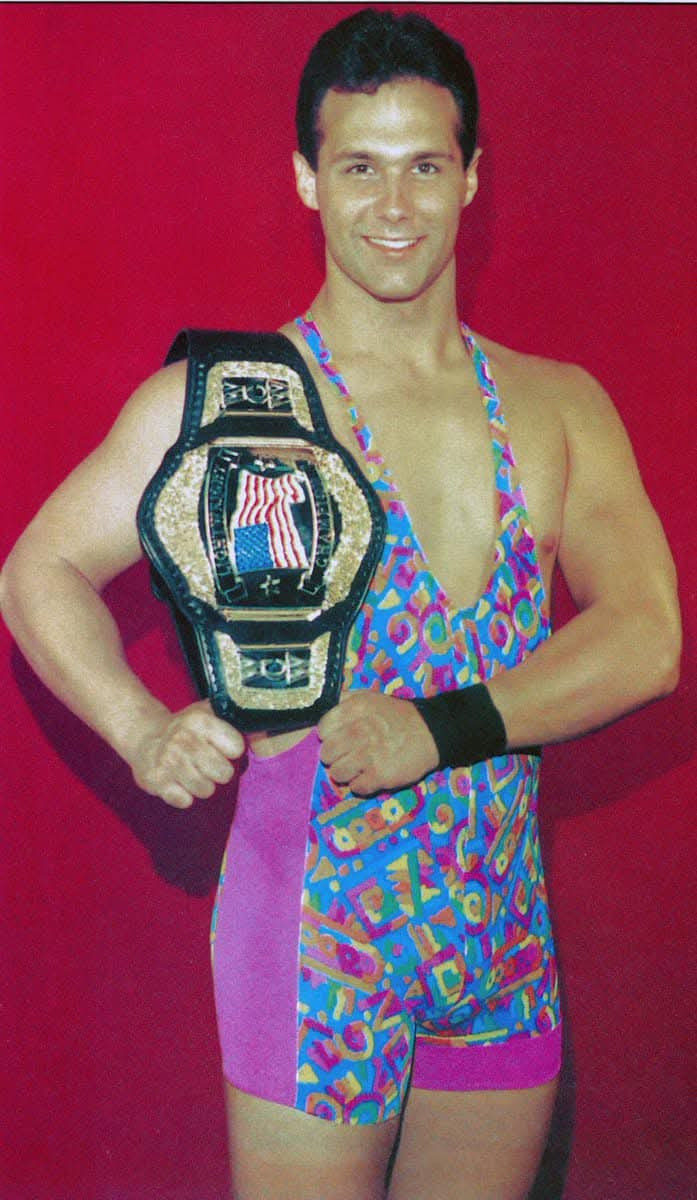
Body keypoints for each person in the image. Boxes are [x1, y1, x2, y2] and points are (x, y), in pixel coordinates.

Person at [0, 10, 681, 1200]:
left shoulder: (560, 405)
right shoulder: (231, 402)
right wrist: (141, 728)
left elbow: (646, 640)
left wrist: (438, 727)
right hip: (320, 945)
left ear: (472, 176)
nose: (395, 205)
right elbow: (36, 571)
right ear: (306, 178)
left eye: (426, 165)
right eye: (359, 167)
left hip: (500, 946)